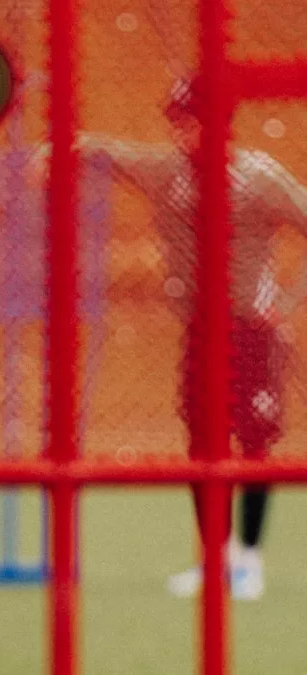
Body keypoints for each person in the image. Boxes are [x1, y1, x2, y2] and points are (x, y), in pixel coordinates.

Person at [30, 77, 307, 600]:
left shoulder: (258, 176)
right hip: (200, 333)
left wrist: (287, 303)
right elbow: (105, 152)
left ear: (219, 123)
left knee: (254, 444)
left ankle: (249, 560)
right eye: (176, 121)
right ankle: (215, 559)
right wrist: (56, 150)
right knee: (201, 444)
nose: (180, 132)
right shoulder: (167, 172)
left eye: (191, 121)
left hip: (252, 330)